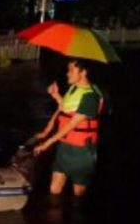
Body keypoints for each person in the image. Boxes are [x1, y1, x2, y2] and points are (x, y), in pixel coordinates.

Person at [33, 58, 103, 197]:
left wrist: (46, 144)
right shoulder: (74, 88)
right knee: (54, 190)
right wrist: (56, 95)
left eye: (71, 70)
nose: (67, 74)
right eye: (68, 70)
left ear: (83, 72)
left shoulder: (91, 97)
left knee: (78, 193)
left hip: (81, 153)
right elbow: (65, 109)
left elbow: (71, 124)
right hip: (64, 148)